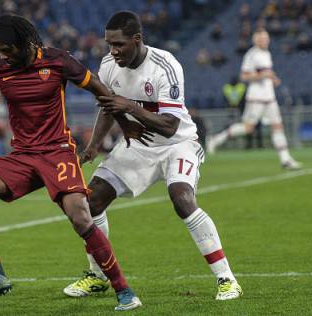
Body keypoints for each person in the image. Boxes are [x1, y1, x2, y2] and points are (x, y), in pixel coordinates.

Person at [0, 15, 146, 311]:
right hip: (23, 156)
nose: (2, 55)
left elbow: (101, 91)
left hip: (58, 152)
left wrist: (124, 123)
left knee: (81, 217)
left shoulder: (58, 61)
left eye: (7, 49)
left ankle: (124, 291)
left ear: (26, 44)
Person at [63, 11, 243, 301]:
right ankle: (97, 276)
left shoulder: (165, 65)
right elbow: (108, 107)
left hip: (178, 144)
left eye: (119, 44)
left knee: (182, 199)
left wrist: (130, 107)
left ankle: (226, 279)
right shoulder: (109, 65)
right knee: (91, 200)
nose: (113, 51)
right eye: (109, 44)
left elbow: (170, 127)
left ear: (137, 39)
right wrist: (94, 145)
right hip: (140, 144)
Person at [207, 28, 301, 169]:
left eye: (266, 38)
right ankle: (215, 139)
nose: (265, 41)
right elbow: (244, 76)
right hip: (256, 98)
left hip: (269, 98)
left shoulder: (266, 53)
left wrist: (273, 78)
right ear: (255, 40)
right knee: (248, 128)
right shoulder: (251, 55)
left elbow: (266, 71)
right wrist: (263, 76)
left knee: (277, 126)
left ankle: (285, 159)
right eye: (262, 39)